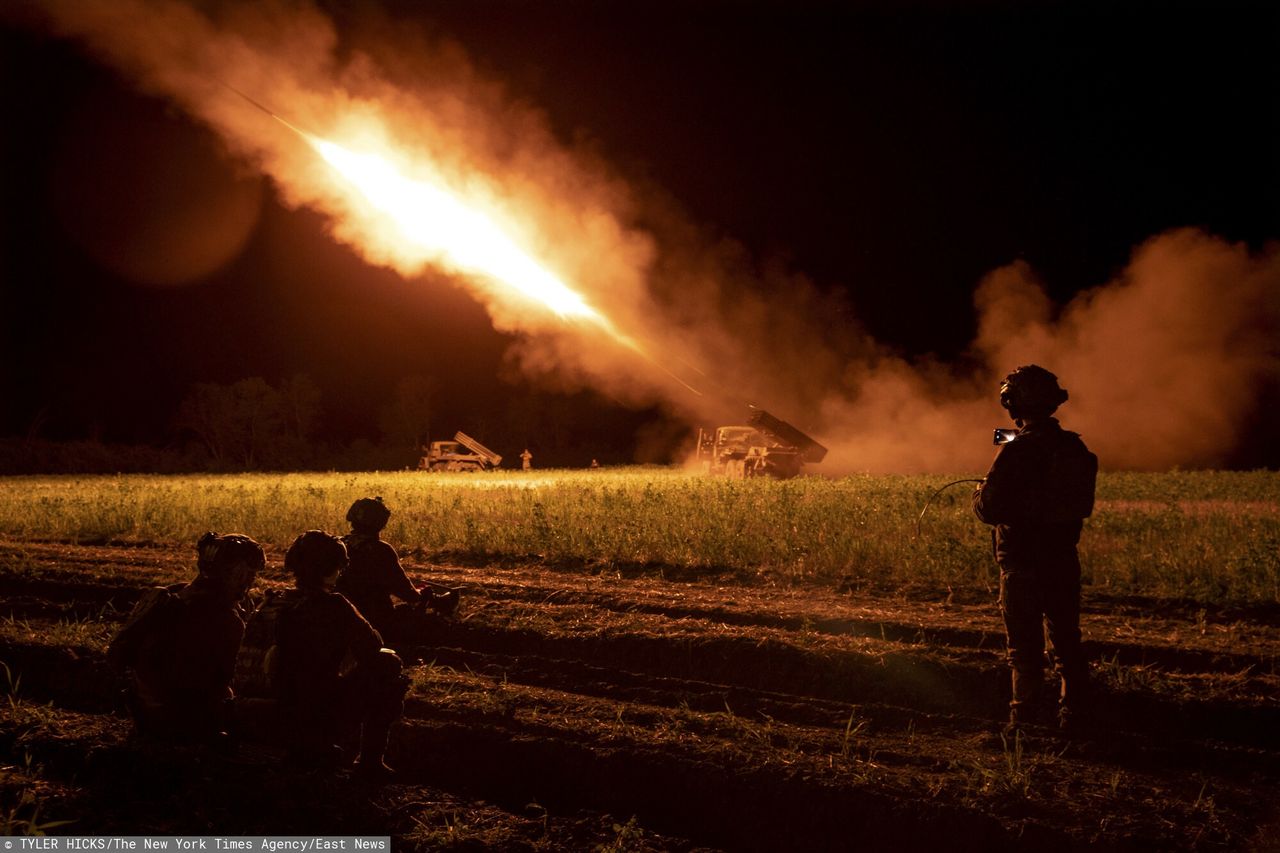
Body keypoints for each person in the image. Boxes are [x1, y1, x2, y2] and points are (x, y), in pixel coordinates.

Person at [973, 365, 1098, 732]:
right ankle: (1075, 718)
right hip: (1062, 559)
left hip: (1023, 564)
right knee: (1066, 642)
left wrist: (979, 492)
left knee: (1024, 650)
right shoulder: (1074, 447)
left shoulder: (1018, 450)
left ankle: (1023, 723)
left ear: (1013, 401)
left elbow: (989, 509)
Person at [272, 530, 408, 780]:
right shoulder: (334, 605)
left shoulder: (275, 601)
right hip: (314, 711)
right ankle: (370, 761)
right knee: (388, 664)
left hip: (272, 708)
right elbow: (372, 645)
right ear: (333, 568)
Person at [108, 532, 264, 743]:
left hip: (143, 711)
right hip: (185, 719)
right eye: (249, 574)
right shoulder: (223, 618)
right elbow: (234, 677)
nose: (251, 581)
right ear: (235, 573)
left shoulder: (170, 595)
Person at [337, 496, 458, 645]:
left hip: (339, 616)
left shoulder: (338, 545)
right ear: (380, 524)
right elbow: (408, 594)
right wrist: (431, 598)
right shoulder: (381, 550)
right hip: (373, 621)